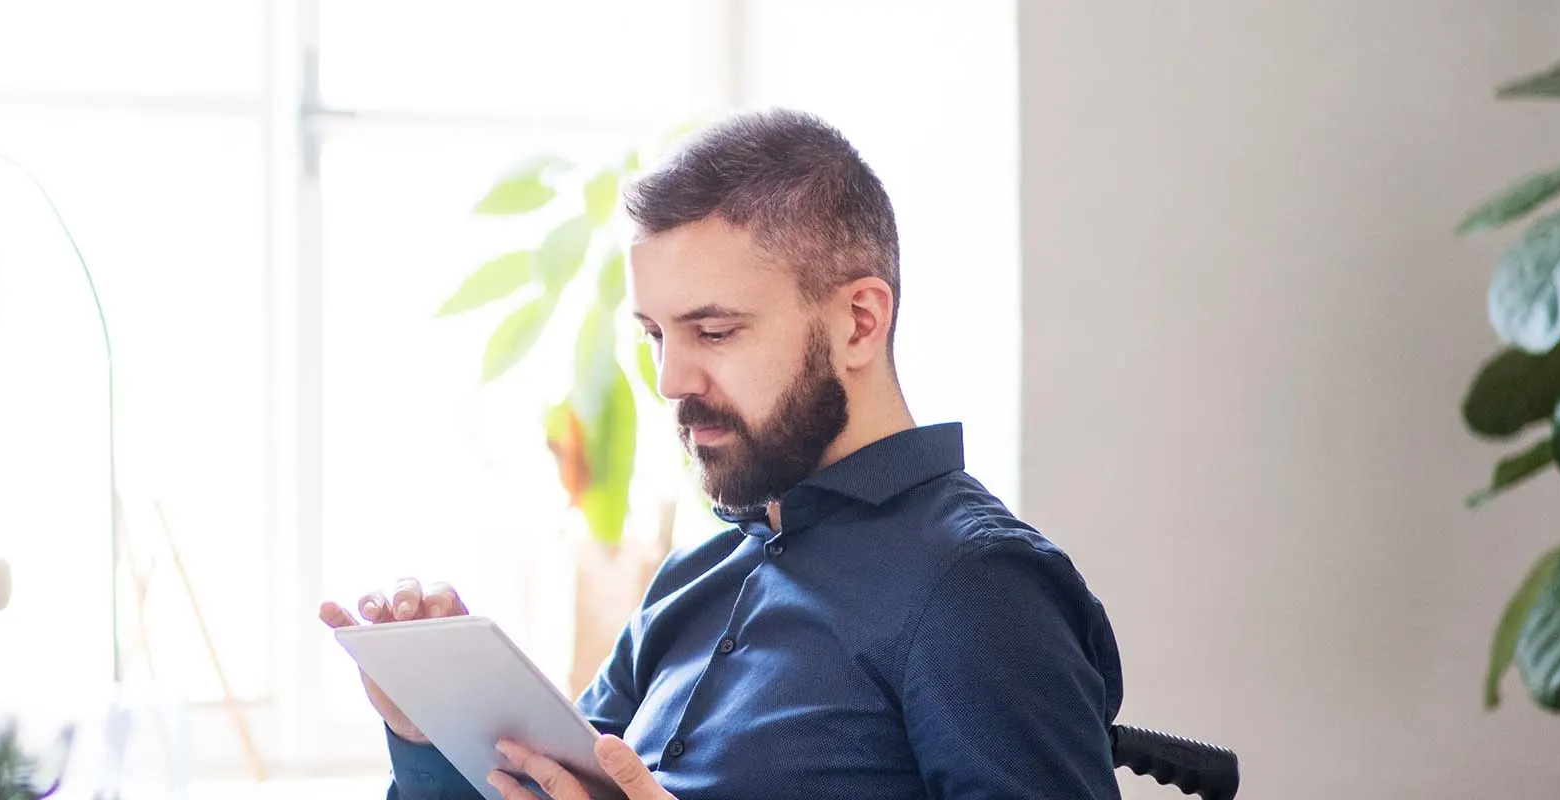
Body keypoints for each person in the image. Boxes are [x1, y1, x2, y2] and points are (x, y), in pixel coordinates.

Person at [317, 109, 1123, 800]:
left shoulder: (977, 587)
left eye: (714, 331)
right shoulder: (692, 581)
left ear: (859, 323)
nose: (670, 379)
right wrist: (430, 735)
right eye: (655, 335)